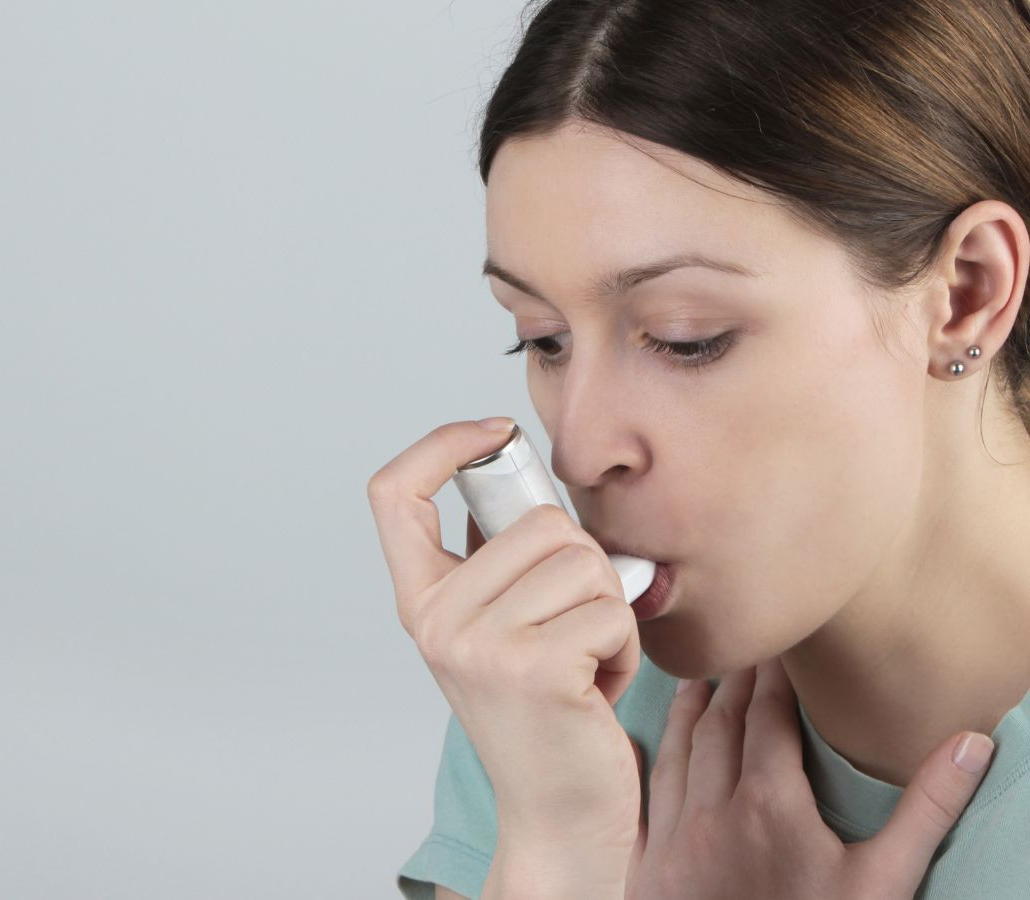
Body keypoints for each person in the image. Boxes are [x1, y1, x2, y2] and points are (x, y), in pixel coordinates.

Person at [366, 0, 1030, 896]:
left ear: (966, 292)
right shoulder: (552, 711)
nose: (579, 450)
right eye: (542, 339)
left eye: (687, 338)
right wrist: (559, 845)